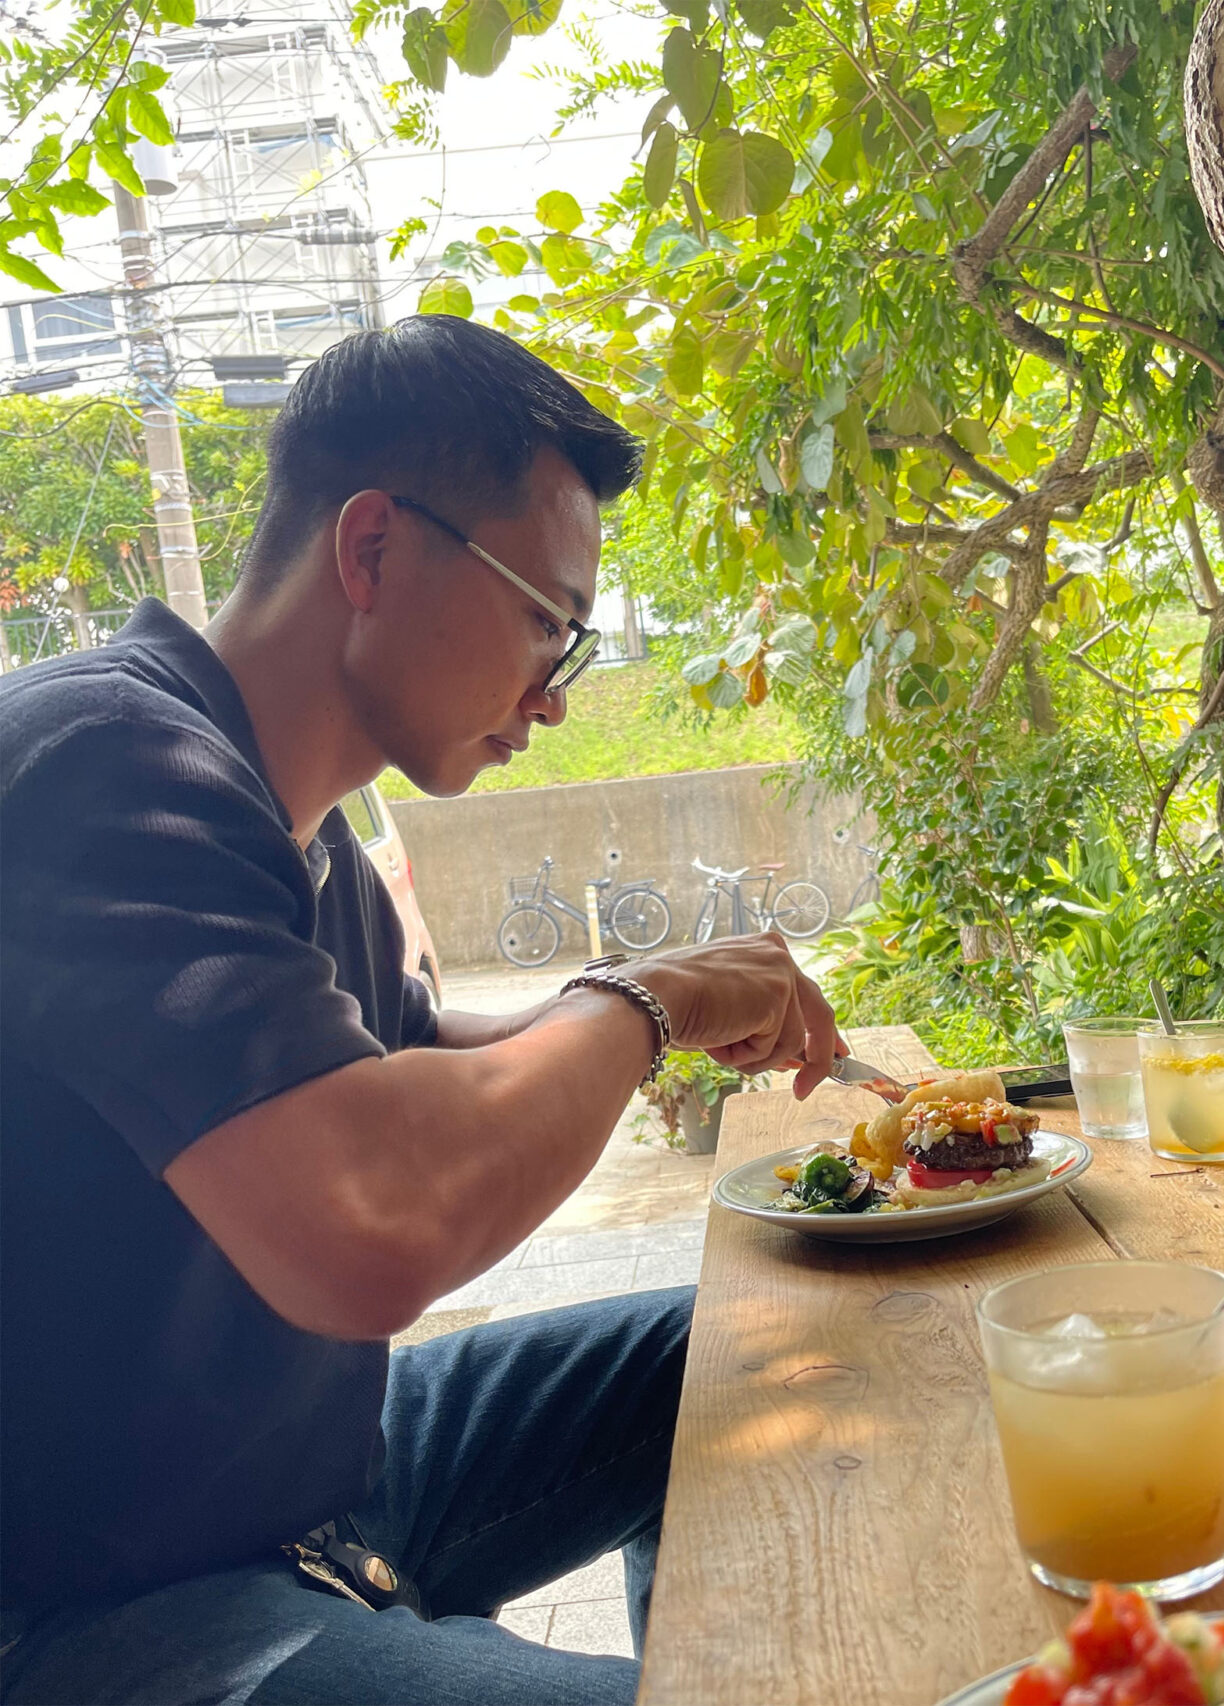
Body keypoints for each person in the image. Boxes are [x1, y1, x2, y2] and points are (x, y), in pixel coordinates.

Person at [0, 315, 846, 1703]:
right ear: (373, 546)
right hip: (96, 1607)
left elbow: (407, 1064)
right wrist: (642, 999)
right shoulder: (102, 764)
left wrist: (663, 1011)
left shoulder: (301, 827)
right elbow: (374, 1221)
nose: (555, 697)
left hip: (320, 1479)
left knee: (752, 1343)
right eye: (547, 622)